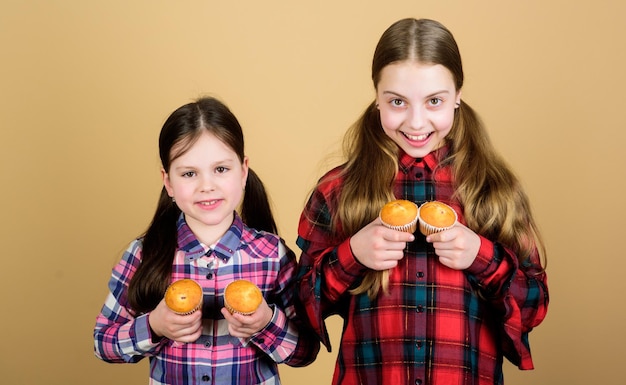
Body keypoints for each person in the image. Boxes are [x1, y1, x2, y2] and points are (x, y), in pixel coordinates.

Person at [296, 18, 548, 385]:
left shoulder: (492, 188)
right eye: (397, 101)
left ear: (457, 94)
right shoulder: (337, 189)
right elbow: (300, 304)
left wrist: (482, 256)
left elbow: (534, 305)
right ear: (376, 96)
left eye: (434, 101)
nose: (416, 122)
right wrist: (353, 255)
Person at [94, 96, 319, 384]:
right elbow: (103, 343)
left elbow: (305, 352)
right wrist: (154, 325)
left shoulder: (272, 255)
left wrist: (266, 323)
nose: (206, 186)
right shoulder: (143, 254)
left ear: (243, 171)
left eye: (221, 169)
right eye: (189, 173)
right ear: (168, 183)